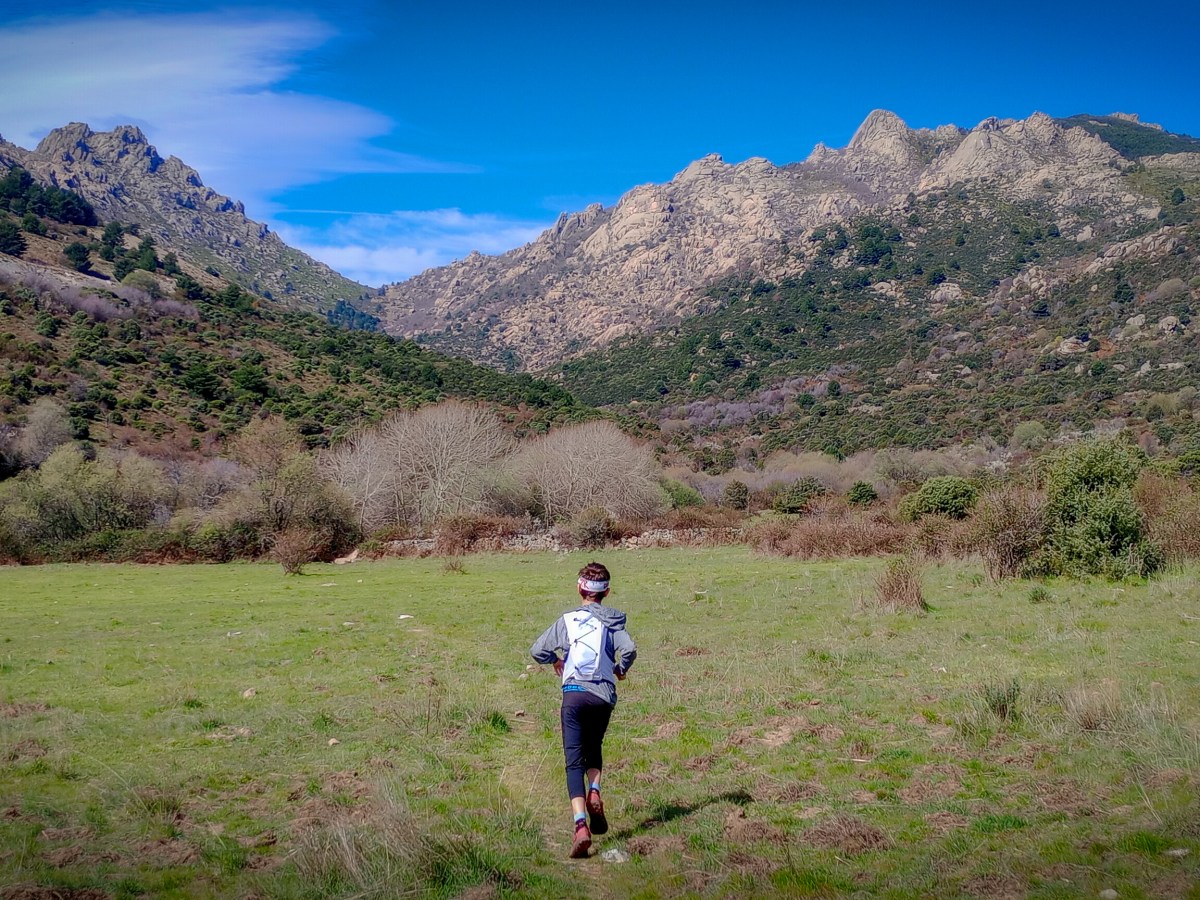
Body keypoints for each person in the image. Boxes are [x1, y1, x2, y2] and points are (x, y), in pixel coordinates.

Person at [530, 561, 637, 859]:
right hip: (602, 696)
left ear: (580, 588)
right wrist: (620, 668)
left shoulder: (568, 620)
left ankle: (580, 827)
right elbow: (629, 649)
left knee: (573, 760)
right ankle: (595, 790)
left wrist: (555, 660)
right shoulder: (614, 622)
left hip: (574, 695)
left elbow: (537, 649)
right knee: (595, 746)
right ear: (607, 592)